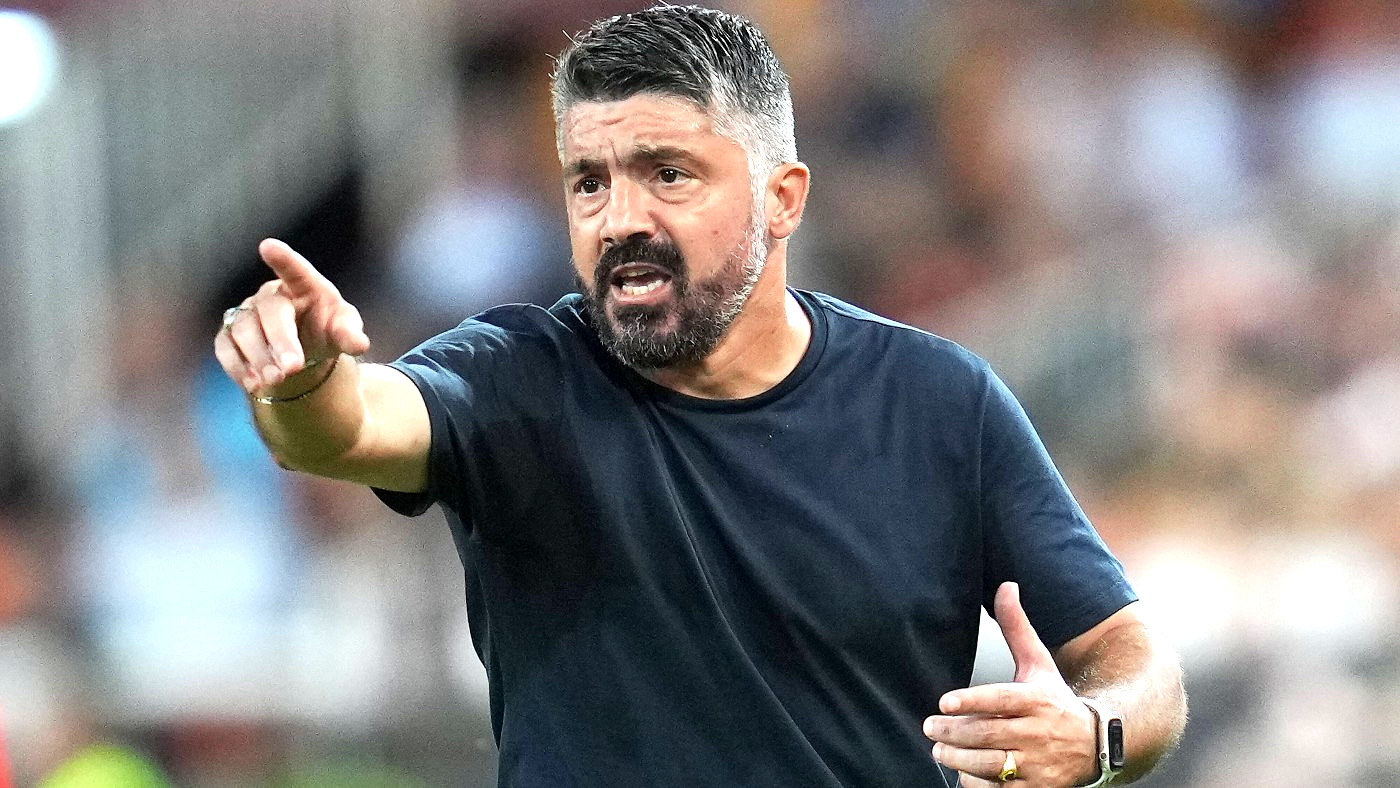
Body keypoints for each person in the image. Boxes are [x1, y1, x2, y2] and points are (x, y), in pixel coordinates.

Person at [213, 6, 1186, 786]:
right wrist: (303, 377)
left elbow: (1132, 657)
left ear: (782, 197)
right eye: (588, 183)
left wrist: (1092, 734)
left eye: (667, 174)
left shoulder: (938, 403)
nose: (619, 219)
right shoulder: (516, 376)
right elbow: (346, 428)